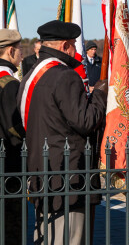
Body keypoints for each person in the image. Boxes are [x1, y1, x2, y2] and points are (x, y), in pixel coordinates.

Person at [17, 20, 107, 245]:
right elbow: (86, 121)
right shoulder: (64, 76)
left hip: (42, 173)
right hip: (69, 179)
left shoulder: (30, 75)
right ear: (65, 46)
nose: (76, 51)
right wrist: (100, 94)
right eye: (74, 45)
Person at [0, 29, 25, 245]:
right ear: (10, 51)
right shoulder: (9, 84)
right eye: (19, 50)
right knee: (10, 228)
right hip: (8, 165)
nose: (21, 55)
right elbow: (15, 129)